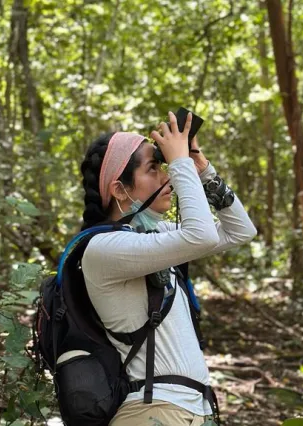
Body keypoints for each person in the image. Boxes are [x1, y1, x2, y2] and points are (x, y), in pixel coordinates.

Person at [77, 111, 257, 425]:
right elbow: (200, 236)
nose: (167, 177)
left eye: (164, 166)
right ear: (120, 190)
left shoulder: (148, 239)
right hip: (153, 411)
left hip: (187, 411)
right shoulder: (103, 249)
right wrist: (180, 163)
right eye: (154, 168)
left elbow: (240, 230)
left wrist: (202, 168)